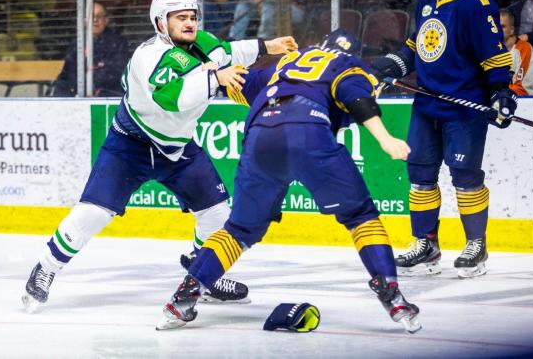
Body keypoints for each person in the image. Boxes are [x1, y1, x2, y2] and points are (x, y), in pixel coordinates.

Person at [22, 0, 298, 312]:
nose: (189, 23)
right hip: (131, 146)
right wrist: (216, 78)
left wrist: (268, 46)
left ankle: (202, 274)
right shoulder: (148, 57)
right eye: (180, 18)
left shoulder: (201, 43)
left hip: (179, 149)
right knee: (94, 213)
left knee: (218, 213)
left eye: (192, 16)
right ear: (160, 23)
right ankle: (45, 268)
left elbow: (228, 51)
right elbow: (174, 97)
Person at [156, 29, 422, 334]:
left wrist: (211, 70)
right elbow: (355, 97)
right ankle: (393, 297)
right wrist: (386, 137)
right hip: (309, 132)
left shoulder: (289, 60)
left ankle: (183, 299)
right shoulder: (349, 65)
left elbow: (238, 82)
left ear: (322, 44)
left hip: (260, 135)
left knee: (238, 230)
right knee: (361, 217)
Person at [371, 0, 516, 279]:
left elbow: (494, 55)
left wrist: (500, 93)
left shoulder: (477, 5)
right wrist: (391, 65)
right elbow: (415, 45)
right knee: (420, 176)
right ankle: (426, 244)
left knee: (465, 178)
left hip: (464, 107)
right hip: (426, 103)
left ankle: (476, 245)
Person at [51, 2, 129, 97]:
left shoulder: (118, 42)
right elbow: (68, 73)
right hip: (79, 96)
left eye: (99, 16)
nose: (95, 20)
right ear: (84, 21)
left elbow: (116, 73)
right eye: (91, 16)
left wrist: (91, 78)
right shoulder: (77, 43)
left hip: (108, 96)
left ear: (106, 20)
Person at [499, 9, 533, 96]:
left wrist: (494, 89)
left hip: (530, 103)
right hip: (502, 99)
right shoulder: (490, 49)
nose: (497, 29)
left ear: (511, 30)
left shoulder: (524, 49)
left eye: (502, 26)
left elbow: (522, 88)